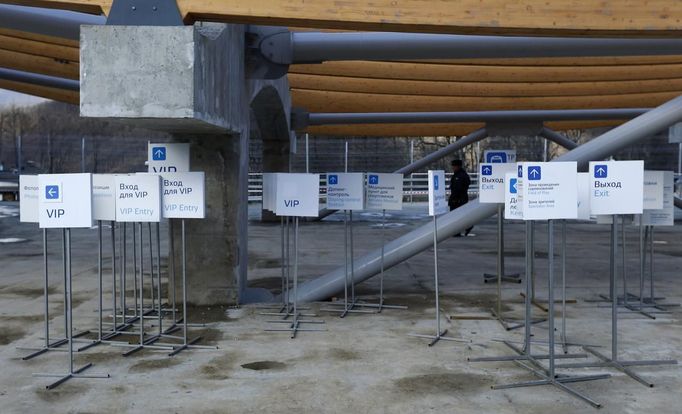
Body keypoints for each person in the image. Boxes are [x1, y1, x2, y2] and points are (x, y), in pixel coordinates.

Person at [448, 159, 473, 236]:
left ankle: (457, 231)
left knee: (456, 216)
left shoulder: (460, 175)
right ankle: (467, 226)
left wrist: (455, 199)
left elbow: (458, 188)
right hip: (459, 198)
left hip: (458, 199)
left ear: (457, 166)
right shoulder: (458, 175)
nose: (452, 168)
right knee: (459, 215)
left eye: (454, 166)